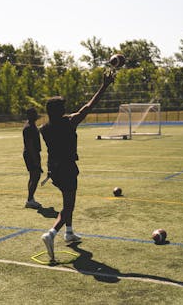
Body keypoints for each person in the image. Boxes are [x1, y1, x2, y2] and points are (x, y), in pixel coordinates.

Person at [40, 71, 115, 261]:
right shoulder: (69, 122)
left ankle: (69, 232)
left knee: (67, 200)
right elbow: (90, 106)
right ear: (58, 110)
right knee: (69, 206)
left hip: (54, 169)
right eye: (63, 107)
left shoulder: (45, 128)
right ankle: (51, 233)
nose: (66, 108)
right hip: (67, 168)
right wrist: (104, 86)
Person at [23, 107, 43, 209]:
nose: (36, 115)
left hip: (33, 153)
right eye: (34, 113)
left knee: (33, 176)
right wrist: (36, 160)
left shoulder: (31, 126)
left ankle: (31, 198)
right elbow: (30, 145)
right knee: (35, 176)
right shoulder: (29, 127)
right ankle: (30, 199)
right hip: (31, 154)